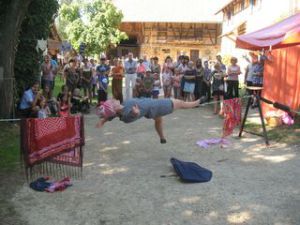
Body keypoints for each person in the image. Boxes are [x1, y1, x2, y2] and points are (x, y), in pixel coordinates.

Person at [96, 98, 200, 144]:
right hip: (156, 106)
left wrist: (103, 121)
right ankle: (197, 103)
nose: (113, 100)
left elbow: (111, 116)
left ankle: (162, 138)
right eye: (112, 102)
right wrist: (135, 113)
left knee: (158, 120)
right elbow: (131, 117)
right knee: (180, 103)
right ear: (114, 109)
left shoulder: (119, 109)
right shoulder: (126, 115)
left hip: (152, 106)